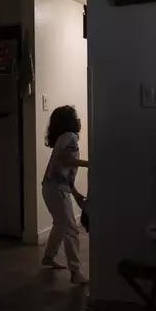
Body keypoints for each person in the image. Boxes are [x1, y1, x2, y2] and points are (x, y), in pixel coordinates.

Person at [41, 106, 89, 284]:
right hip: (56, 189)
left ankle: (48, 257)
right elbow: (66, 161)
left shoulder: (63, 137)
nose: (79, 119)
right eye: (76, 116)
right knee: (71, 228)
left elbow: (64, 169)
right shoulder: (70, 137)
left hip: (51, 187)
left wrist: (75, 194)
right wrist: (90, 163)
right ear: (70, 121)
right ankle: (76, 272)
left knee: (60, 225)